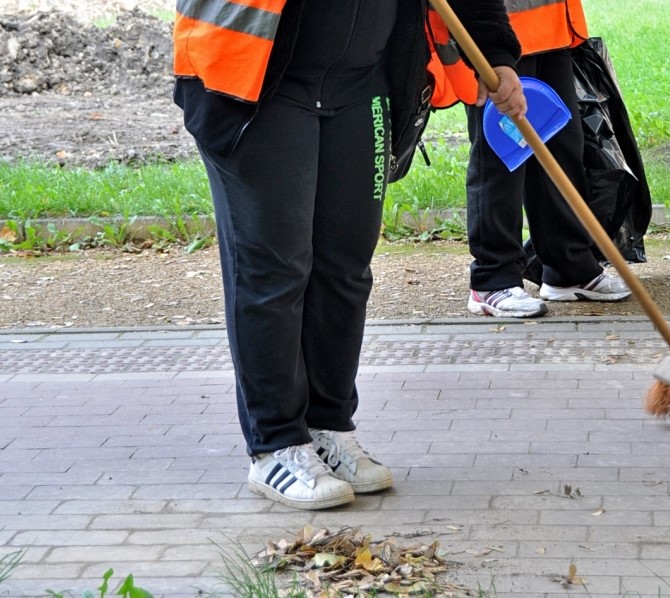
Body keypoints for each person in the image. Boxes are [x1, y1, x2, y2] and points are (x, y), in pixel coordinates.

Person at [172, 0, 525, 510]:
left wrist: (497, 55)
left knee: (346, 268)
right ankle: (276, 445)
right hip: (256, 83)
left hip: (363, 86)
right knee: (275, 272)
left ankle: (328, 426)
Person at [465, 0, 632, 319]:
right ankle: (493, 278)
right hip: (495, 29)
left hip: (553, 29)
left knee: (562, 145)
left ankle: (567, 267)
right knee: (501, 157)